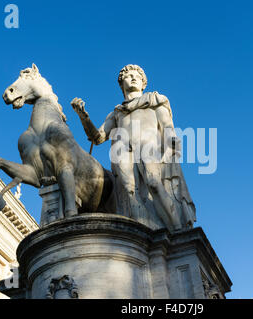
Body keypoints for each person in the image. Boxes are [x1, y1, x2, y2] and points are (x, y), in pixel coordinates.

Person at [71, 64, 195, 231]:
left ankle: (178, 229)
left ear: (143, 83)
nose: (134, 77)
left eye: (137, 75)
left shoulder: (154, 100)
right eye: (129, 76)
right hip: (122, 149)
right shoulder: (117, 112)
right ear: (122, 84)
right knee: (129, 191)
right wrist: (84, 117)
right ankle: (143, 231)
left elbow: (167, 125)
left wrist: (172, 140)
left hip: (148, 146)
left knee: (153, 183)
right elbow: (98, 137)